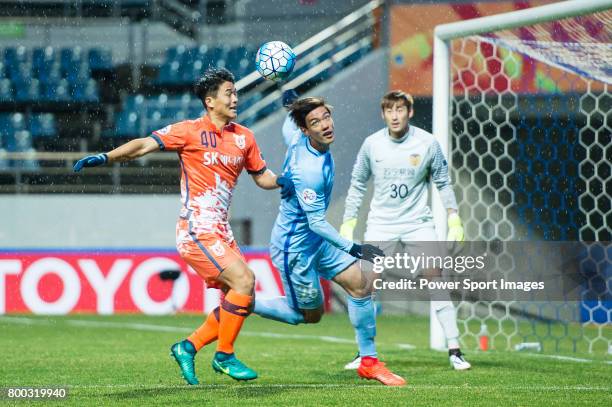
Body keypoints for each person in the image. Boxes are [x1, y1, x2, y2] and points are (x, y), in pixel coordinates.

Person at [73, 68, 295, 384]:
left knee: (239, 299)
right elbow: (142, 146)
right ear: (210, 101)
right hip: (196, 229)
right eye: (229, 93)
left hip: (222, 231)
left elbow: (261, 175)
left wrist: (281, 181)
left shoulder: (245, 136)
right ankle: (225, 356)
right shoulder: (188, 131)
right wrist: (105, 157)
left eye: (235, 92)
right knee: (245, 280)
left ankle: (187, 347)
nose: (235, 98)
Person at [252, 96, 406, 386]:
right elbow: (317, 223)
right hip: (295, 247)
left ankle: (369, 361)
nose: (325, 125)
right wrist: (354, 247)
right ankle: (242, 301)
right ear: (306, 130)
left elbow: (288, 125)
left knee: (361, 283)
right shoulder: (308, 171)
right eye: (315, 122)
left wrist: (290, 97)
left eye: (325, 117)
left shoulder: (297, 134)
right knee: (308, 316)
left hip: (314, 240)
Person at [340, 90, 471, 371]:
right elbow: (358, 183)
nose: (395, 115)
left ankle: (455, 349)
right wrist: (349, 221)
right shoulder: (371, 145)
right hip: (381, 223)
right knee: (364, 285)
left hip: (417, 222)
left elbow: (443, 182)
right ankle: (364, 352)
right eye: (390, 110)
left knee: (436, 278)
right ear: (383, 114)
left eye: (400, 109)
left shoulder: (427, 143)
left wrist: (454, 217)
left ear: (409, 112)